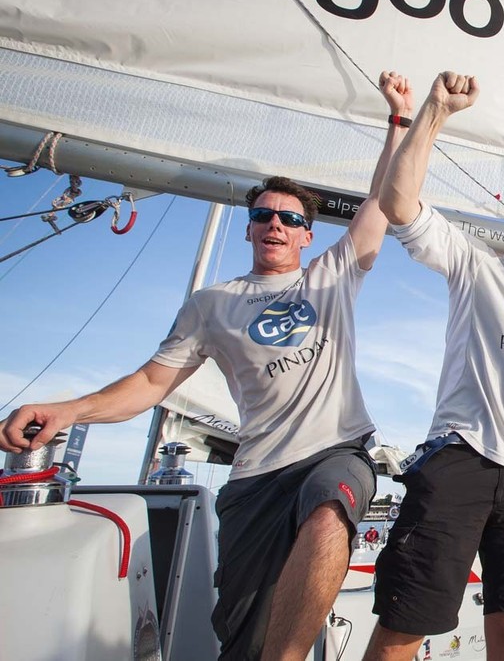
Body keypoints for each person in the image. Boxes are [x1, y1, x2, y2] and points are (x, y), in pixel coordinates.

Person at [0, 71, 415, 661]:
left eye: (291, 219)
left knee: (329, 513)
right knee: (240, 638)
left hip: (335, 452)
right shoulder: (211, 304)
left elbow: (381, 201)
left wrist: (397, 119)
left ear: (305, 236)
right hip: (255, 478)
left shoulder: (334, 275)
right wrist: (67, 410)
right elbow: (150, 383)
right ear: (250, 228)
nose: (276, 223)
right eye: (265, 215)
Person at [362, 71, 504, 661]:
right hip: (461, 459)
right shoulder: (475, 265)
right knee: (406, 622)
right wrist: (434, 111)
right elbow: (398, 202)